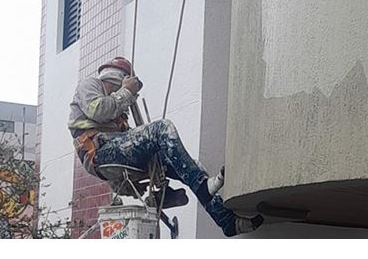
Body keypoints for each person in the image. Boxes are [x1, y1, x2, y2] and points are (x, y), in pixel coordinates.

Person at [68, 56, 264, 237]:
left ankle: (226, 220)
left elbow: (124, 150)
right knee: (162, 128)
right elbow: (99, 111)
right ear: (118, 79)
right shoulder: (90, 85)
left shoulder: (118, 115)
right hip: (99, 153)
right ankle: (201, 187)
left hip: (112, 155)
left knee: (190, 167)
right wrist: (126, 91)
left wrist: (125, 183)